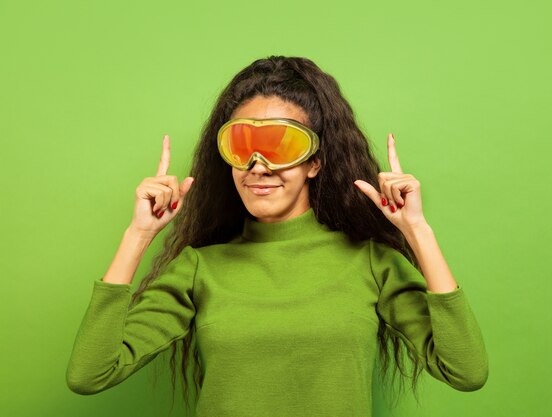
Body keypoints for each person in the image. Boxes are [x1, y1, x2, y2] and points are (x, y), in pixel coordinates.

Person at [66, 55, 488, 417]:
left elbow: (465, 371)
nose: (258, 165)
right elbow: (90, 373)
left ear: (315, 163)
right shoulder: (199, 268)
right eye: (242, 145)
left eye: (281, 145)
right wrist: (138, 234)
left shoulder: (372, 262)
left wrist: (418, 231)